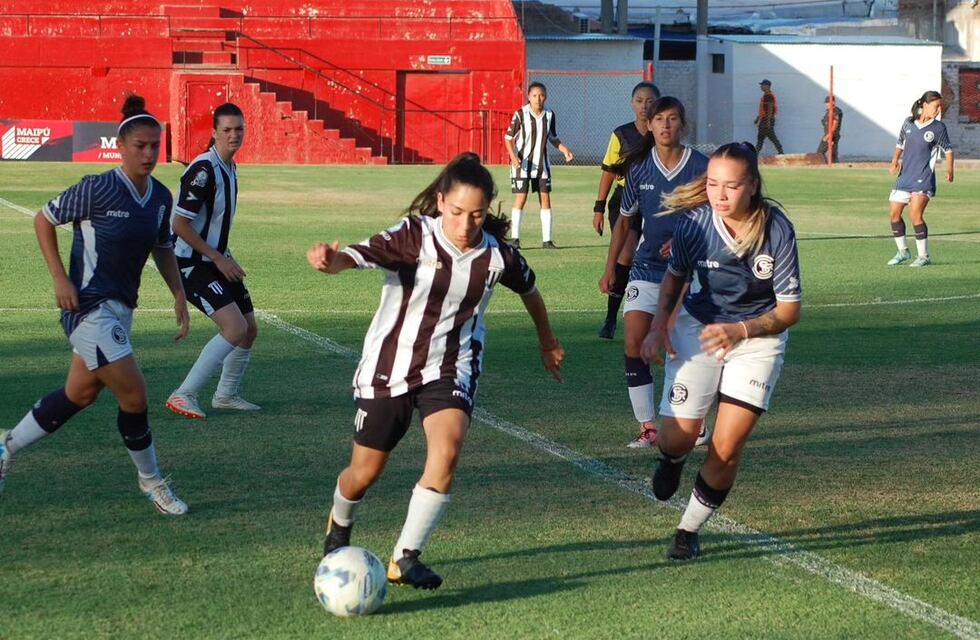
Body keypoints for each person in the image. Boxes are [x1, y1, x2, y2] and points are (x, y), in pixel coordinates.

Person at [307, 153, 564, 589]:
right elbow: (359, 254)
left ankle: (404, 557)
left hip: (451, 367)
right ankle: (340, 523)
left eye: (477, 214)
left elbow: (531, 290)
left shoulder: (497, 256)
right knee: (363, 474)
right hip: (390, 365)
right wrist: (332, 261)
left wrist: (547, 341)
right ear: (442, 202)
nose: (466, 224)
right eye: (458, 212)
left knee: (447, 449)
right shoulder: (412, 236)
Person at [0, 95, 189, 515]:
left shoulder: (159, 197)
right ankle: (153, 482)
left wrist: (178, 292)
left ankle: (6, 445)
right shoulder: (98, 187)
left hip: (120, 309)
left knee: (79, 394)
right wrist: (59, 278)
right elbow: (43, 218)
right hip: (87, 308)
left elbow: (162, 246)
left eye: (155, 145)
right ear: (120, 146)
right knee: (135, 396)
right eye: (140, 145)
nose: (149, 153)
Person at [641, 141, 802, 560]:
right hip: (700, 328)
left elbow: (789, 311)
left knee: (727, 445)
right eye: (713, 184)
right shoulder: (693, 224)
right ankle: (673, 459)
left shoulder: (777, 230)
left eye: (731, 186)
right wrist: (660, 326)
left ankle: (687, 530)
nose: (720, 194)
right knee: (677, 438)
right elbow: (675, 278)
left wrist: (741, 330)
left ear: (752, 185)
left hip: (757, 339)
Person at [600, 97, 709, 449]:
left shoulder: (702, 167)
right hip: (646, 268)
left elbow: (717, 218)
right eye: (658, 119)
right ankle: (648, 426)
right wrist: (610, 267)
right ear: (649, 125)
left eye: (672, 119)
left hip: (690, 271)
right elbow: (626, 222)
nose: (665, 125)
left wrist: (685, 241)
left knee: (681, 348)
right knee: (633, 340)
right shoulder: (640, 170)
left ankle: (695, 420)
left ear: (683, 125)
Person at [165, 103, 260, 419]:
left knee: (249, 328)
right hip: (191, 264)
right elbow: (179, 226)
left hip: (216, 258)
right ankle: (183, 394)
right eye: (227, 130)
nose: (234, 135)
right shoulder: (203, 171)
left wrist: (223, 256)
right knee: (234, 327)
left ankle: (226, 395)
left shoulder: (229, 167)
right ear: (214, 132)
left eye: (239, 129)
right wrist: (217, 257)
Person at [593, 81, 660, 340]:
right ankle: (611, 318)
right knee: (627, 254)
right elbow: (608, 171)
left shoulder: (664, 133)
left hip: (655, 200)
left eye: (650, 100)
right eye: (640, 100)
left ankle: (653, 317)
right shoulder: (621, 134)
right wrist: (598, 208)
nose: (645, 106)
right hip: (624, 200)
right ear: (632, 103)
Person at [885, 90, 954, 268]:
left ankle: (923, 256)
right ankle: (903, 252)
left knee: (915, 215)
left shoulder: (938, 128)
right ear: (924, 104)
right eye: (935, 106)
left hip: (923, 178)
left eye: (940, 106)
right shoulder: (908, 123)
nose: (938, 110)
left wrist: (949, 170)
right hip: (905, 177)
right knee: (894, 214)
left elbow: (948, 150)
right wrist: (894, 160)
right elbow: (900, 144)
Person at [504, 81, 575, 249]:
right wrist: (514, 158)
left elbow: (553, 138)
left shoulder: (550, 115)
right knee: (521, 198)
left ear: (546, 97)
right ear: (528, 97)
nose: (538, 99)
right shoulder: (521, 114)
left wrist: (565, 150)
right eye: (534, 95)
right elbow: (508, 138)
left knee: (545, 198)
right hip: (522, 165)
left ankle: (547, 240)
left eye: (541, 95)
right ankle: (515, 239)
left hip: (542, 165)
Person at [754, 80, 784, 155]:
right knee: (761, 138)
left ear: (767, 86)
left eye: (762, 85)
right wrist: (758, 118)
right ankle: (755, 153)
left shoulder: (768, 96)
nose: (761, 87)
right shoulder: (766, 95)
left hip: (766, 121)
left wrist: (768, 122)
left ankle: (781, 153)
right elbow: (764, 109)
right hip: (764, 120)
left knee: (771, 138)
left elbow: (770, 108)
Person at [816, 96, 843, 163]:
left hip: (832, 135)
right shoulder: (828, 111)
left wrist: (828, 136)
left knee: (820, 153)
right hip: (828, 134)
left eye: (828, 102)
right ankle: (831, 165)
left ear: (833, 102)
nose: (827, 104)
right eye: (826, 103)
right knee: (832, 154)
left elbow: (835, 125)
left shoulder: (836, 111)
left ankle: (826, 166)